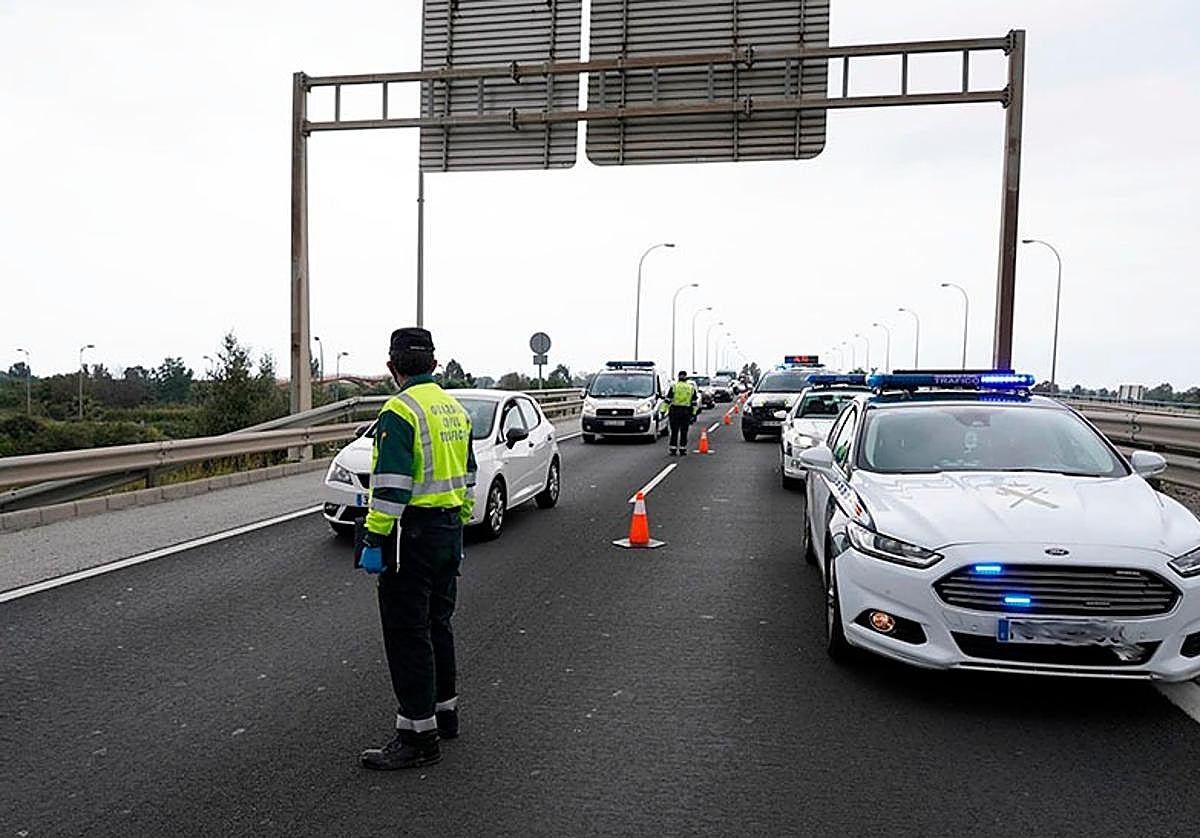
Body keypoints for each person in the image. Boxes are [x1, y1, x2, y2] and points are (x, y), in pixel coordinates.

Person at [358, 327, 477, 771]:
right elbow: (468, 476)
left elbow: (389, 488)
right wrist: (459, 522)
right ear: (434, 364)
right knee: (438, 624)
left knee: (408, 635)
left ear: (392, 369)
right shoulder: (454, 408)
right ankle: (445, 713)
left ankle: (417, 735)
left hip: (411, 536)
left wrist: (374, 537)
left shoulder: (399, 410)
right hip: (447, 530)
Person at [665, 370, 698, 456]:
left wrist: (663, 411)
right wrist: (694, 414)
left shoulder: (674, 387)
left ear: (678, 377)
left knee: (674, 431)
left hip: (675, 411)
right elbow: (694, 402)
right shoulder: (691, 388)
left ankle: (673, 449)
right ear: (686, 377)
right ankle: (683, 449)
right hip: (686, 412)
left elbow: (667, 400)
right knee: (684, 431)